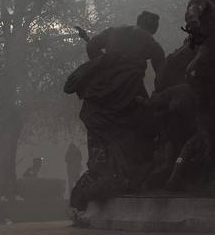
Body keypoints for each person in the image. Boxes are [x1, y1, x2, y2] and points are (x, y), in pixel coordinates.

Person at [64, 11, 167, 210]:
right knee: (143, 126)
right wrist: (158, 97)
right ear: (153, 29)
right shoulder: (152, 44)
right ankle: (129, 171)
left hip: (98, 88)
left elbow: (92, 45)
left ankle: (100, 171)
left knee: (99, 131)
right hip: (127, 90)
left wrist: (104, 64)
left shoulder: (115, 31)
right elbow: (161, 76)